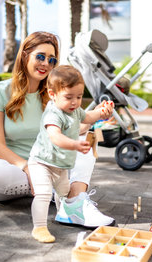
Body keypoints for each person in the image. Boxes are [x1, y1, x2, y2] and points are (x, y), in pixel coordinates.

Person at [0, 31, 115, 232]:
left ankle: (74, 203)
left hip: (48, 167)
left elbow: (73, 128)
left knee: (86, 139)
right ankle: (54, 193)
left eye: (52, 60)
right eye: (40, 57)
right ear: (25, 55)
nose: (46, 64)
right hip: (16, 172)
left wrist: (98, 115)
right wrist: (28, 169)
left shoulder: (54, 96)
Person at [28, 65, 114, 243]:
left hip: (60, 166)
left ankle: (65, 213)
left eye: (79, 97)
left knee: (65, 192)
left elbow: (87, 118)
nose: (75, 102)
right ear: (52, 94)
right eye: (69, 97)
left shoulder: (73, 110)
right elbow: (55, 137)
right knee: (43, 193)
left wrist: (101, 112)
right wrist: (75, 144)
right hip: (42, 163)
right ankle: (39, 227)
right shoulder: (53, 113)